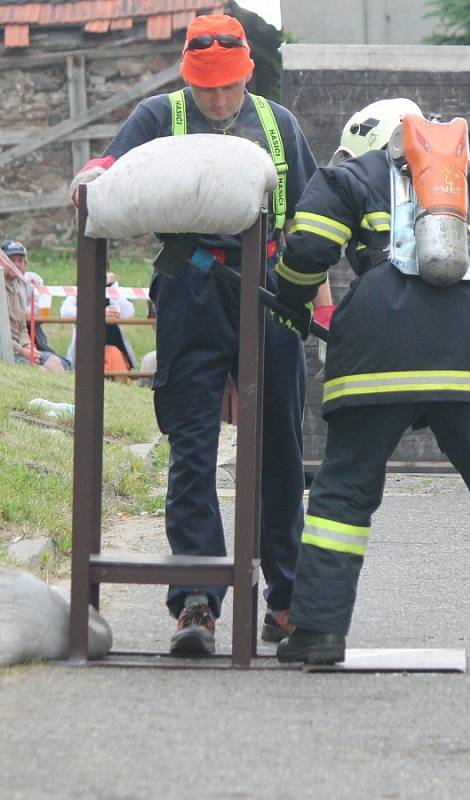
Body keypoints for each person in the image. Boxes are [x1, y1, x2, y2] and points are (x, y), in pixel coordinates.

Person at [272, 98, 470, 675]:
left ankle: (319, 632)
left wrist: (290, 303)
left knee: (343, 494)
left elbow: (308, 250)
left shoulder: (348, 177)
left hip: (379, 356)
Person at [70, 13, 326, 656]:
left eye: (227, 87)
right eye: (206, 87)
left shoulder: (279, 124)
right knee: (191, 447)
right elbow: (109, 165)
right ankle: (196, 602)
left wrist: (320, 306)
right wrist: (91, 178)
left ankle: (288, 600)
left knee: (279, 450)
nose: (216, 99)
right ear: (190, 76)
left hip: (269, 288)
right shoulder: (160, 116)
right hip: (190, 287)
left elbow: (312, 217)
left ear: (248, 74)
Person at [1, 240, 67, 373]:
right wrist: (23, 351)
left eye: (20, 260)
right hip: (5, 351)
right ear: (1, 262)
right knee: (42, 371)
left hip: (20, 348)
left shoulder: (19, 287)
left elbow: (22, 328)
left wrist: (30, 347)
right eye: (12, 260)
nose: (17, 265)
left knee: (55, 362)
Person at [60, 269, 136, 379]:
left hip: (114, 344)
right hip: (86, 346)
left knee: (113, 355)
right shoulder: (80, 289)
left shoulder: (114, 289)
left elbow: (128, 313)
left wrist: (112, 287)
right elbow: (65, 312)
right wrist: (98, 313)